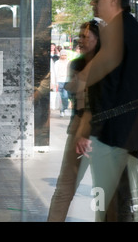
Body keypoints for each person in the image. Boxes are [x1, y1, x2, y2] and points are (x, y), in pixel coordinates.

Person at [72, 0, 138, 221]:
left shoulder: (115, 33)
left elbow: (107, 88)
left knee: (110, 201)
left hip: (113, 134)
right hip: (130, 132)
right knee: (121, 199)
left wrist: (88, 130)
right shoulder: (135, 30)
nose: (92, 3)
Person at [47, 20, 100, 221]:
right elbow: (76, 96)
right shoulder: (77, 64)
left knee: (102, 189)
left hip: (101, 131)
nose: (82, 40)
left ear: (98, 38)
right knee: (65, 186)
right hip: (78, 128)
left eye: (87, 36)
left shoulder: (109, 64)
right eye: (81, 36)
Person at [53, 49, 70, 117]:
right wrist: (55, 82)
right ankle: (61, 110)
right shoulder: (57, 62)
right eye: (62, 55)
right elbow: (54, 73)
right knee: (59, 97)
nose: (64, 56)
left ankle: (64, 109)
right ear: (60, 55)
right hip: (59, 81)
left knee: (65, 96)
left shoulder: (69, 62)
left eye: (65, 55)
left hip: (67, 81)